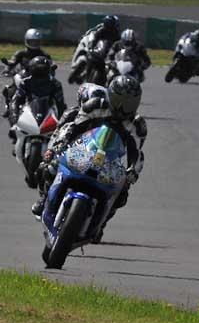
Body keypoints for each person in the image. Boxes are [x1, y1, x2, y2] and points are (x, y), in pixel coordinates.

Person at [31, 76, 147, 233]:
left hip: (111, 160)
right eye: (119, 101)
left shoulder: (137, 124)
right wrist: (59, 145)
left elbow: (137, 152)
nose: (122, 108)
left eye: (129, 104)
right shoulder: (96, 105)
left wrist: (132, 171)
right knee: (48, 167)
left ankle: (101, 223)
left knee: (122, 194)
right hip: (82, 147)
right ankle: (44, 198)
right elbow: (73, 128)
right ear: (111, 95)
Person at [8, 56, 66, 141]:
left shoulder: (55, 84)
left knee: (60, 137)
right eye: (37, 72)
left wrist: (62, 122)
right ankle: (18, 136)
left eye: (42, 72)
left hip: (49, 110)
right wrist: (14, 114)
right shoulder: (25, 82)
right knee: (13, 131)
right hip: (29, 108)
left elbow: (60, 103)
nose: (40, 75)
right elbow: (16, 100)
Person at [1, 29, 50, 117]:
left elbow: (50, 64)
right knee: (8, 90)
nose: (34, 44)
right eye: (32, 42)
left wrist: (51, 70)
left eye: (36, 42)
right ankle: (9, 108)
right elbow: (13, 62)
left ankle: (53, 109)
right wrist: (7, 68)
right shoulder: (21, 53)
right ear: (26, 41)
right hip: (22, 76)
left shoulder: (44, 55)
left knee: (52, 90)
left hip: (38, 78)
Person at [69, 15, 121, 84]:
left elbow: (118, 45)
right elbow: (94, 39)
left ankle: (107, 81)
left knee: (111, 68)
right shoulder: (100, 30)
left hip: (107, 53)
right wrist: (91, 47)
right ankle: (79, 71)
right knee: (86, 55)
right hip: (96, 48)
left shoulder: (116, 34)